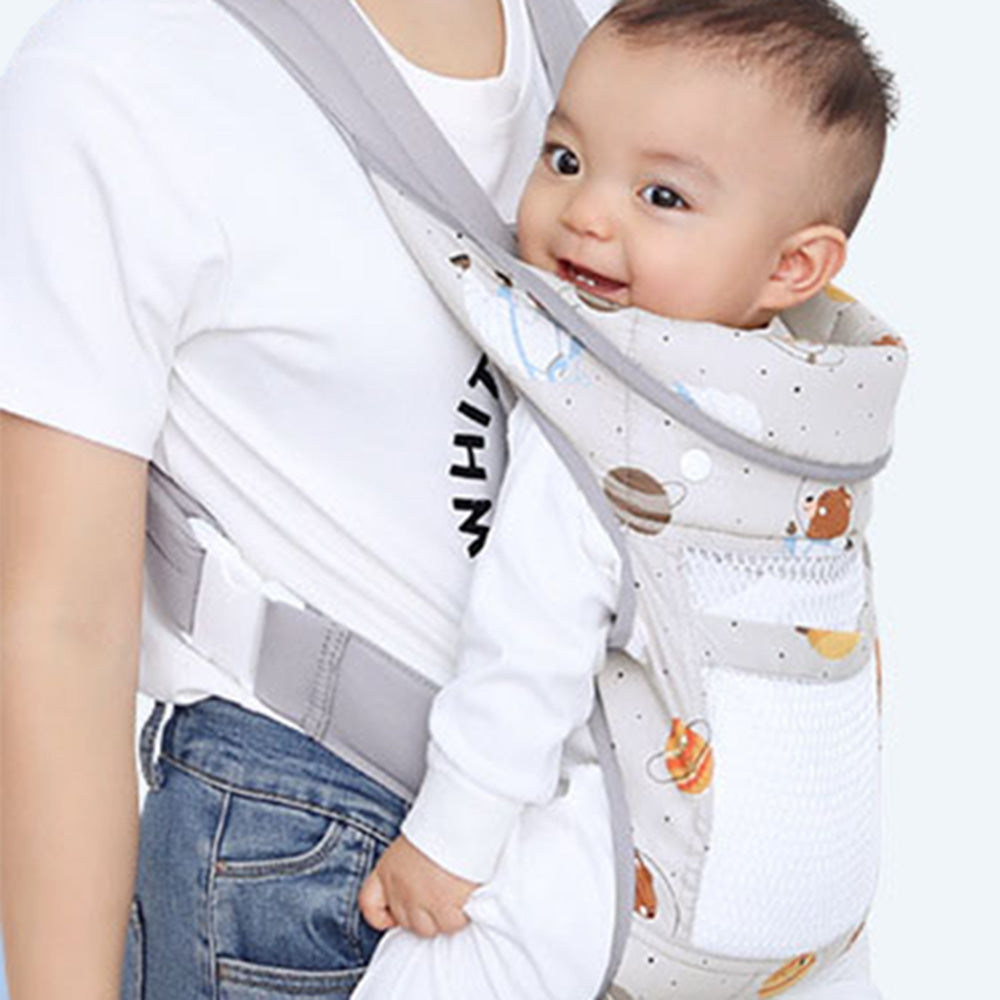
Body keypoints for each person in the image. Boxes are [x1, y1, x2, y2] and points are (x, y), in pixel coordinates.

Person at [0, 0, 577, 996]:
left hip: (577, 856)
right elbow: (59, 625)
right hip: (304, 853)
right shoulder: (125, 65)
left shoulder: (613, 35)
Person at [353, 1, 898, 998]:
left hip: (629, 892)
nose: (589, 214)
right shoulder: (819, 411)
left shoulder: (605, 414)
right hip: (815, 918)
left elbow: (527, 656)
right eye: (564, 159)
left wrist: (446, 845)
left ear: (793, 265)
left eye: (662, 195)